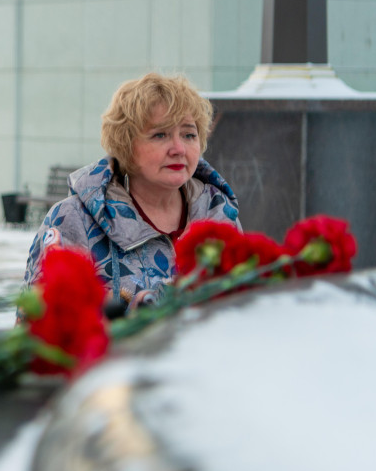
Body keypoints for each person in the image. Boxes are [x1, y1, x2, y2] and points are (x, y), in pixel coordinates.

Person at [23, 72, 240, 307]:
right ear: (126, 144)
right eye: (160, 134)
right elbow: (41, 317)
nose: (179, 148)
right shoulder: (74, 220)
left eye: (189, 135)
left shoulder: (219, 213)